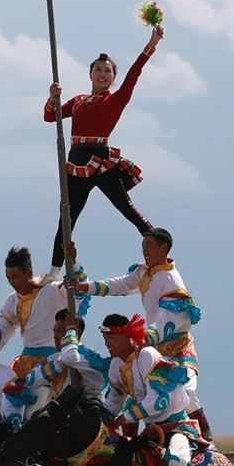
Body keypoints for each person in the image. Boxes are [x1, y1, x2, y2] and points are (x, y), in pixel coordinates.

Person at [58, 312, 204, 466]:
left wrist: (123, 417)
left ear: (128, 338)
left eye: (112, 337)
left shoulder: (147, 355)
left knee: (175, 461)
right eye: (105, 337)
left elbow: (158, 402)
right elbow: (112, 403)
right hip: (151, 430)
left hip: (177, 427)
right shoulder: (116, 365)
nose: (107, 342)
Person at [43, 24, 164, 278]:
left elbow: (134, 73)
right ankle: (54, 271)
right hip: (76, 163)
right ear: (90, 74)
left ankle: (161, 254)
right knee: (66, 217)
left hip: (101, 161)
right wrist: (51, 96)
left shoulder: (116, 99)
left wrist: (151, 45)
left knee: (127, 208)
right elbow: (49, 116)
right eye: (98, 69)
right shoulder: (77, 101)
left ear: (112, 78)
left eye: (107, 71)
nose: (102, 73)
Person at [67, 230, 212, 439]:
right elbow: (119, 284)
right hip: (153, 347)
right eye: (143, 245)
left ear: (164, 248)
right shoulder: (144, 272)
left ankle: (206, 441)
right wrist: (85, 286)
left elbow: (167, 317)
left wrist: (147, 337)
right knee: (137, 392)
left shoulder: (172, 280)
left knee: (185, 392)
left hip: (177, 350)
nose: (145, 251)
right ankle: (129, 444)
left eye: (149, 246)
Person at [0, 309, 106, 430]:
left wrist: (59, 359)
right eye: (54, 331)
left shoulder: (88, 357)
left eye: (60, 331)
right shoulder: (54, 358)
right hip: (62, 424)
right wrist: (58, 363)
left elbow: (70, 357)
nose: (55, 336)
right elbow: (32, 380)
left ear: (75, 332)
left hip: (87, 425)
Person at [0, 246, 85, 379]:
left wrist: (74, 268)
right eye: (8, 278)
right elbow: (0, 332)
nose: (11, 283)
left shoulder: (52, 290)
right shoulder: (13, 300)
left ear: (28, 272)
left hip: (56, 360)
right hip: (25, 363)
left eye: (15, 277)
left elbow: (79, 291)